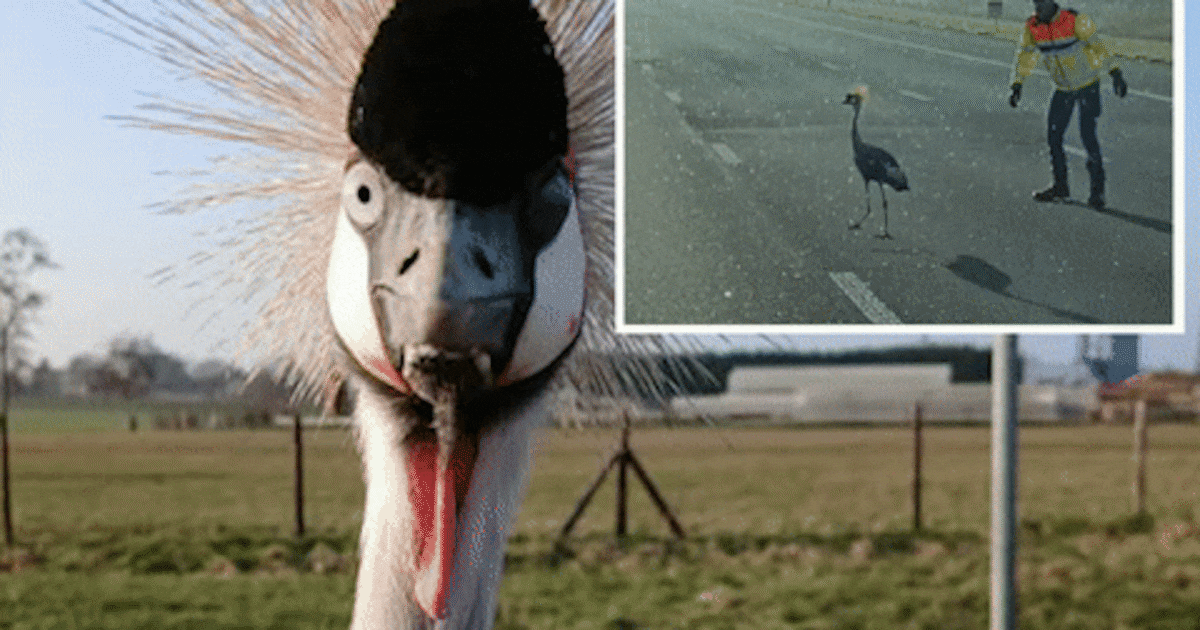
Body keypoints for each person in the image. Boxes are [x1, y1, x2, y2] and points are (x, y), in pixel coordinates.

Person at [1008, 0, 1127, 210]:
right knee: (1054, 137)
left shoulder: (1073, 20)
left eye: (1041, 4)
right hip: (1062, 89)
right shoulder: (1033, 27)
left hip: (1087, 86)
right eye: (1035, 4)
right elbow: (1024, 55)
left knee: (1088, 136)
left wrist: (1115, 73)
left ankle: (1097, 193)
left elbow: (1098, 45)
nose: (1037, 8)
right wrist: (1017, 84)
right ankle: (1060, 187)